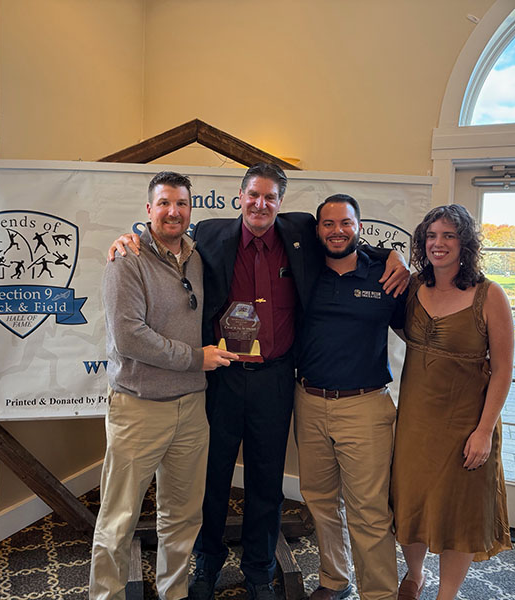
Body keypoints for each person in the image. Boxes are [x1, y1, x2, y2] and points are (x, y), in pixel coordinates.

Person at [108, 164, 409, 600]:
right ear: (240, 196)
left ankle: (258, 570)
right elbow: (162, 235)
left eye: (270, 197)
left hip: (276, 379)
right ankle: (207, 565)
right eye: (253, 195)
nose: (260, 204)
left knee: (267, 482)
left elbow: (347, 240)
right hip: (222, 378)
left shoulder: (302, 232)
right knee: (213, 478)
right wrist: (127, 237)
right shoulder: (209, 234)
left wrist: (393, 257)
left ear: (281, 203)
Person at [90, 171, 237, 600]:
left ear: (191, 210)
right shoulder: (126, 260)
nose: (173, 212)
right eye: (165, 203)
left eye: (182, 204)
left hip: (192, 408)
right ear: (149, 209)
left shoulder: (197, 254)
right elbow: (129, 336)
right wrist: (197, 359)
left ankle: (174, 593)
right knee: (118, 519)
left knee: (182, 515)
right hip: (138, 408)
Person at [390, 204, 513, 600]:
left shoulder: (490, 296)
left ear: (466, 244)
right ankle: (415, 574)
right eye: (431, 236)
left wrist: (483, 431)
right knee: (411, 502)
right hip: (415, 421)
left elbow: (503, 370)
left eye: (449, 236)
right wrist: (388, 256)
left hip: (467, 423)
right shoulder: (411, 289)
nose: (438, 244)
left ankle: (448, 593)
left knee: (457, 513)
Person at [294, 195, 405, 600]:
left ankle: (378, 594)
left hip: (366, 406)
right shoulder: (303, 272)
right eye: (328, 224)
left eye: (346, 223)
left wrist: (392, 255)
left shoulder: (386, 276)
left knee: (370, 511)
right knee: (320, 500)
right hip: (308, 400)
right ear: (317, 229)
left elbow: (417, 330)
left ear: (360, 227)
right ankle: (333, 579)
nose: (337, 231)